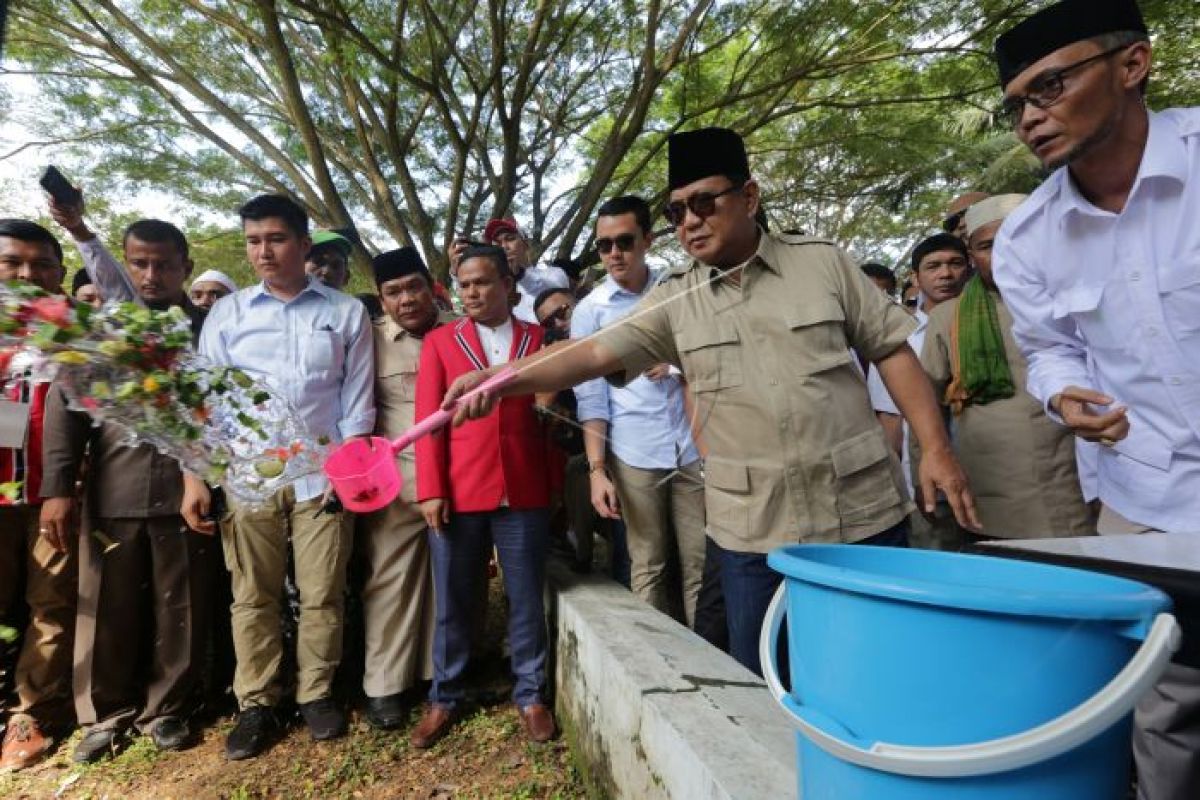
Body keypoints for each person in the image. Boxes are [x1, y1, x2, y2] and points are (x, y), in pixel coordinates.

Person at [436, 128, 980, 676]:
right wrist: (500, 377)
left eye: (704, 203)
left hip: (860, 512)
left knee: (884, 664)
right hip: (752, 529)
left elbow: (892, 351)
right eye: (677, 212)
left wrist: (935, 447)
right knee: (771, 675)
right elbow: (593, 351)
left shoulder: (823, 264)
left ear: (749, 197)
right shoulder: (674, 298)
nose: (690, 221)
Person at [991, 2, 1200, 796]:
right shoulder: (1029, 238)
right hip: (1148, 496)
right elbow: (1050, 351)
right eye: (1017, 106)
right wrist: (1061, 397)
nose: (1031, 120)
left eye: (1049, 87)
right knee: (1167, 706)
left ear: (1133, 64)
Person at [180, 194, 375, 759]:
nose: (263, 251)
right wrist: (198, 477)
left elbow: (356, 402)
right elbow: (205, 403)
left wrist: (349, 471)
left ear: (303, 244)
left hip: (322, 476)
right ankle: (258, 703)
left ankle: (316, 693)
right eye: (253, 240)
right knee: (253, 596)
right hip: (248, 478)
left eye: (276, 238)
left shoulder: (344, 312)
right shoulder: (228, 314)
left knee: (323, 593)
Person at [40, 223, 211, 762]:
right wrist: (58, 489)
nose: (150, 275)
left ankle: (168, 709)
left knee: (179, 606)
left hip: (190, 490)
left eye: (163, 264)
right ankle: (104, 713)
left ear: (185, 265)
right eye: (139, 263)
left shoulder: (211, 328)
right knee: (104, 608)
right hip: (113, 485)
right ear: (125, 264)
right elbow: (66, 414)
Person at [412, 245, 558, 747]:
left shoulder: (539, 339)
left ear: (507, 284)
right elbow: (427, 422)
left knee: (525, 597)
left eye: (481, 282)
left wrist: (552, 488)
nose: (471, 292)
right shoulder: (439, 341)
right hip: (459, 485)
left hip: (523, 488)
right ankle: (445, 697)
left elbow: (551, 416)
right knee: (453, 599)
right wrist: (431, 489)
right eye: (464, 284)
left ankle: (531, 693)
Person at [918, 194, 1094, 540]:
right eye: (988, 246)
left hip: (1085, 480)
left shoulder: (1082, 297)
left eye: (1018, 239)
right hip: (992, 492)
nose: (1006, 253)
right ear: (972, 257)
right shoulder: (948, 318)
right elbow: (925, 411)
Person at [570, 195, 707, 628]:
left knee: (700, 561)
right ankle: (665, 667)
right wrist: (597, 470)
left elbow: (707, 358)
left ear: (647, 239)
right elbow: (591, 397)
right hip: (633, 450)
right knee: (648, 562)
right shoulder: (590, 310)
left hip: (691, 444)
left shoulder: (677, 288)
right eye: (604, 245)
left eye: (625, 242)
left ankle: (711, 660)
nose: (614, 254)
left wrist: (676, 364)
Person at [358, 247, 454, 730]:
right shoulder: (369, 340)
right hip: (395, 484)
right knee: (390, 584)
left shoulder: (461, 330)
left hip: (456, 481)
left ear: (431, 285)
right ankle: (385, 686)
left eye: (414, 286)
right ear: (382, 299)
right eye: (393, 292)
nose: (406, 299)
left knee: (450, 585)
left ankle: (440, 676)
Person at [0, 220, 77, 772]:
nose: (28, 274)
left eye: (41, 264)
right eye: (13, 263)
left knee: (50, 606)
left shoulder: (77, 330)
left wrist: (62, 484)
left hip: (55, 493)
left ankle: (30, 715)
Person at [868, 233, 970, 550]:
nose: (945, 274)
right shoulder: (899, 340)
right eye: (934, 266)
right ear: (916, 277)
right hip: (928, 489)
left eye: (955, 264)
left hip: (997, 479)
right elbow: (891, 423)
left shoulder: (999, 324)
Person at [483, 218, 569, 323]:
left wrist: (520, 274)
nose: (504, 247)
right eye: (497, 244)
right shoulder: (494, 288)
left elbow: (554, 293)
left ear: (526, 243)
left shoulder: (554, 273)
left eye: (510, 239)